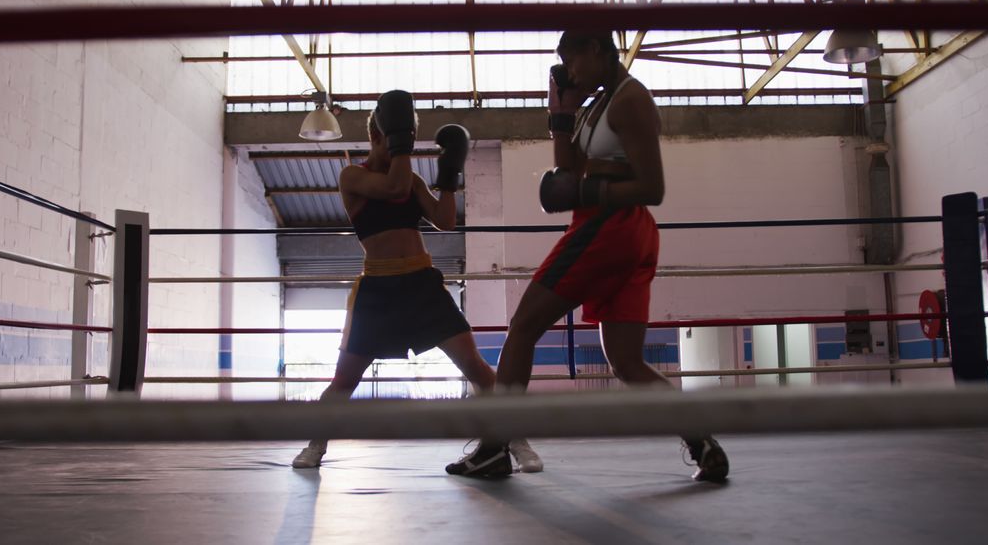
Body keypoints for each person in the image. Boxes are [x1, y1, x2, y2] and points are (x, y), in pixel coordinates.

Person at [446, 32, 729, 481]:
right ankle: (702, 441)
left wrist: (587, 191)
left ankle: (496, 447)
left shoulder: (630, 100)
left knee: (522, 327)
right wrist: (561, 116)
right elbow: (568, 172)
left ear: (597, 47)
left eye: (572, 57)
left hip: (609, 227)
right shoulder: (599, 105)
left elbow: (653, 188)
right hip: (620, 233)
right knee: (625, 360)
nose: (569, 69)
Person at [291, 90, 543, 473]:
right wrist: (400, 146)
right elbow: (391, 188)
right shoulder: (353, 176)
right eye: (395, 140)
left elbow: (445, 220)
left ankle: (517, 441)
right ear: (379, 137)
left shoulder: (411, 181)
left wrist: (448, 175)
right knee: (345, 379)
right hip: (378, 289)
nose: (398, 151)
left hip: (422, 285)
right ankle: (315, 444)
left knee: (476, 369)